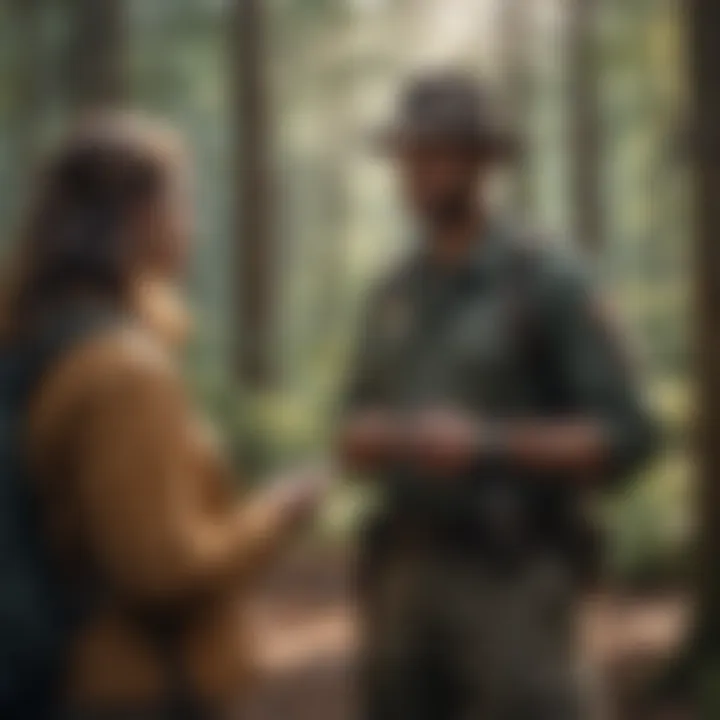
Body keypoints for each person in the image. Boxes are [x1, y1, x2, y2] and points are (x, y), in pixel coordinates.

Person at [340, 71, 658, 720]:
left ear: (483, 160)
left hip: (514, 579)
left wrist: (487, 445)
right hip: (402, 577)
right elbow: (350, 423)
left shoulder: (549, 278)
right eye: (408, 155)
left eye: (436, 153)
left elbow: (629, 433)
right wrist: (374, 438)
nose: (416, 171)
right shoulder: (394, 292)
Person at [0, 114, 328, 719]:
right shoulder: (124, 372)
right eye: (182, 205)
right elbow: (163, 572)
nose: (190, 227)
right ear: (140, 218)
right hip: (139, 691)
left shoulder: (39, 337)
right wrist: (276, 513)